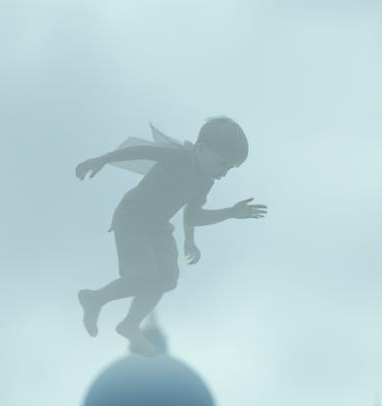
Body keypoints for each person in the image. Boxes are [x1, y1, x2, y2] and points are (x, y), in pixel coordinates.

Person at [75, 117, 266, 355]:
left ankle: (130, 324)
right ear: (200, 150)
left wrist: (227, 215)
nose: (223, 172)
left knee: (167, 279)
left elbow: (193, 216)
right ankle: (96, 299)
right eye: (222, 164)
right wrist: (104, 159)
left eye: (229, 168)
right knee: (144, 276)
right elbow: (139, 151)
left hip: (158, 226)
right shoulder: (177, 157)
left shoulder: (205, 182)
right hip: (133, 217)